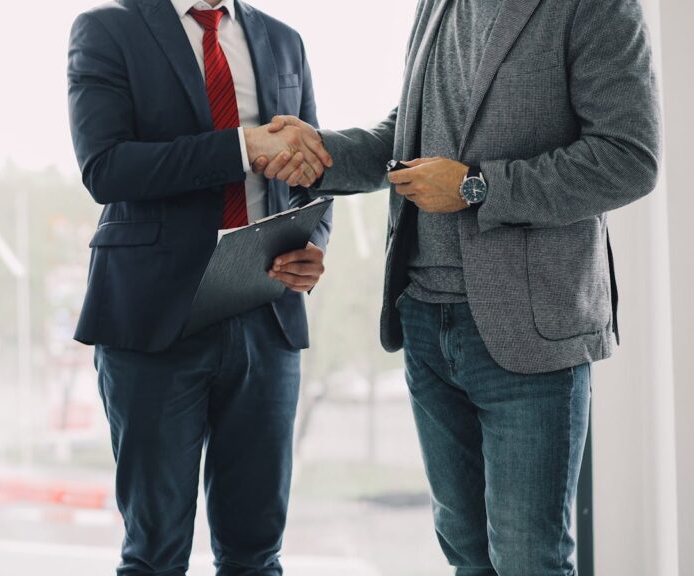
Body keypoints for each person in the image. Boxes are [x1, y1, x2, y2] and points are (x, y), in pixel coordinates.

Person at [258, 0, 661, 573]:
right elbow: (408, 136)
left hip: (531, 333)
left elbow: (629, 157)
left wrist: (478, 187)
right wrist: (320, 152)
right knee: (468, 558)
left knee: (529, 560)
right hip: (425, 319)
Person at [67, 1, 333, 574]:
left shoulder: (284, 41)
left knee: (256, 553)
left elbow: (313, 171)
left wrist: (316, 245)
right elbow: (105, 167)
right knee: (156, 553)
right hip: (154, 319)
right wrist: (242, 148)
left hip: (266, 314)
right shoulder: (108, 28)